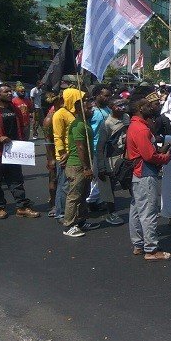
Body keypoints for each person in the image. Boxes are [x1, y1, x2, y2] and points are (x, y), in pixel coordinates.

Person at [126, 87, 171, 260]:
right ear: (140, 109)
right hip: (145, 173)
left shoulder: (137, 126)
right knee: (148, 211)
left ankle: (139, 244)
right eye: (146, 105)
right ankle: (151, 250)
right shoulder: (141, 129)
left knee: (137, 210)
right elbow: (149, 155)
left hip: (139, 172)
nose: (150, 107)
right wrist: (165, 158)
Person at [0, 83, 40, 219]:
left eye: (10, 91)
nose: (10, 93)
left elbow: (23, 124)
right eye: (6, 91)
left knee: (16, 180)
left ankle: (22, 206)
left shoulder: (14, 108)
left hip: (13, 150)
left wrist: (24, 141)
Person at [62, 96, 100, 237]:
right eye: (88, 108)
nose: (92, 110)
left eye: (91, 108)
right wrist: (86, 167)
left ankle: (80, 221)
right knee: (74, 196)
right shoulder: (77, 125)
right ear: (79, 110)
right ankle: (68, 225)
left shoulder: (85, 123)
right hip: (77, 165)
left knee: (83, 194)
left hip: (84, 164)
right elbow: (80, 147)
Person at [96, 98, 130, 226]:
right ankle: (111, 213)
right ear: (112, 107)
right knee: (109, 188)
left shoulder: (126, 117)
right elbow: (100, 147)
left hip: (125, 157)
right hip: (111, 159)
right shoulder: (107, 123)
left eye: (123, 105)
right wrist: (101, 167)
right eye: (118, 105)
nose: (122, 108)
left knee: (130, 183)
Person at [52, 87, 82, 222]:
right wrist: (62, 153)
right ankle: (61, 213)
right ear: (71, 99)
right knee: (64, 185)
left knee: (69, 186)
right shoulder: (60, 114)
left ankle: (69, 212)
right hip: (64, 156)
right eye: (78, 98)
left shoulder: (73, 113)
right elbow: (57, 136)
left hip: (73, 153)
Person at [87, 85, 112, 212]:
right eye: (106, 95)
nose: (109, 98)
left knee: (103, 177)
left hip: (106, 149)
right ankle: (90, 201)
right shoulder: (91, 111)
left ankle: (97, 200)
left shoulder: (108, 109)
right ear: (97, 95)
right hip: (94, 150)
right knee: (95, 177)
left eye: (109, 95)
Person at [42, 93, 63, 217]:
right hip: (53, 153)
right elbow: (48, 140)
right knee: (53, 178)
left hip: (63, 152)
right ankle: (54, 204)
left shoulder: (63, 114)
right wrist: (51, 159)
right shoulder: (49, 119)